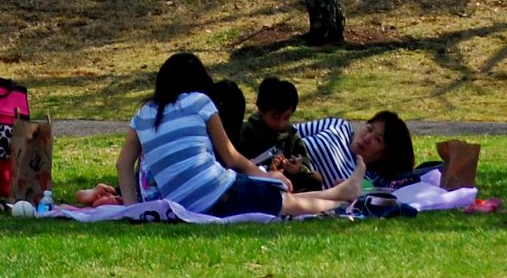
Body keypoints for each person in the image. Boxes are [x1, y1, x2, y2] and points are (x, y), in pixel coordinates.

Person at [116, 52, 365, 218]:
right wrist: (266, 176)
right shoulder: (200, 102)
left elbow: (123, 164)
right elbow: (232, 157)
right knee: (290, 203)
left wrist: (132, 211)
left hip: (185, 205)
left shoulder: (144, 114)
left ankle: (342, 192)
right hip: (220, 192)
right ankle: (343, 198)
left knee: (279, 197)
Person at [238, 77, 321, 193]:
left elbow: (306, 164)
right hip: (260, 183)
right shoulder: (246, 132)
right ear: (262, 110)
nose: (281, 123)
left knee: (315, 179)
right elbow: (239, 169)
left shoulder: (290, 133)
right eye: (275, 117)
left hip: (287, 184)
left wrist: (297, 169)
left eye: (286, 117)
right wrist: (269, 170)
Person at [294, 109, 415, 188]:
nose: (367, 138)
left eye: (377, 139)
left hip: (294, 191)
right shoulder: (339, 126)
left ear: (385, 155)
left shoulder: (370, 181)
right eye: (369, 128)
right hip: (279, 161)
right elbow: (288, 131)